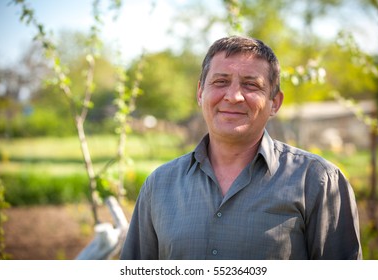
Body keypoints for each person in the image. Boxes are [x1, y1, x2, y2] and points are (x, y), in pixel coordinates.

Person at [120, 35, 362, 260]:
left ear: (274, 103)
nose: (233, 96)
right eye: (220, 81)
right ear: (200, 93)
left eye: (251, 85)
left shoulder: (318, 181)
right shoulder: (159, 185)